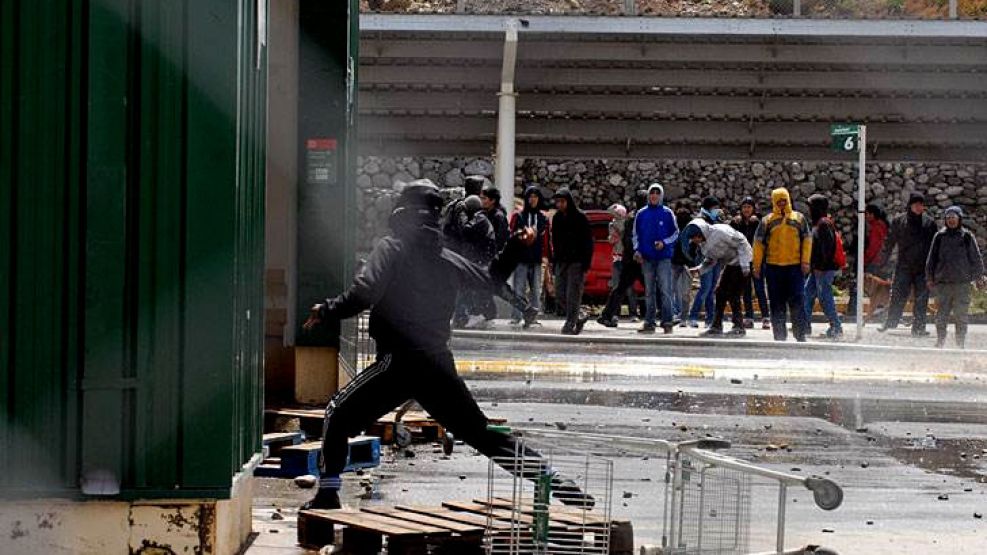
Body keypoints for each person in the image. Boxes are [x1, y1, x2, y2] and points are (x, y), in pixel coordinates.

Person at [300, 180, 589, 511]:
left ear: (401, 213)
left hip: (396, 363)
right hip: (437, 364)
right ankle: (551, 477)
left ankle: (327, 495)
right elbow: (490, 281)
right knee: (481, 433)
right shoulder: (447, 258)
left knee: (338, 413)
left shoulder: (391, 247)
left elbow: (363, 293)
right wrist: (514, 249)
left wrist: (327, 309)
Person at [752, 187, 812, 342]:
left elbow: (807, 240)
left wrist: (805, 261)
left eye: (783, 200)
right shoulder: (767, 221)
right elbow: (758, 245)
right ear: (773, 201)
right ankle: (779, 336)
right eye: (778, 200)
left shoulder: (799, 219)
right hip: (773, 268)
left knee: (797, 301)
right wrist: (757, 266)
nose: (781, 203)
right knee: (777, 303)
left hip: (795, 268)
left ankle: (800, 334)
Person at [878, 192, 938, 336]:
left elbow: (936, 246)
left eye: (921, 204)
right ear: (910, 205)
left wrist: (935, 267)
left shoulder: (929, 223)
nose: (919, 207)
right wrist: (882, 261)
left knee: (922, 298)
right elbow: (889, 242)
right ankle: (890, 322)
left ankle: (919, 328)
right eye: (916, 204)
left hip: (923, 267)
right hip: (903, 265)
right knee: (897, 295)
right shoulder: (899, 221)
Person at [925, 206, 985, 349]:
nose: (951, 220)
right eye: (948, 218)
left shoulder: (967, 237)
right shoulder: (939, 237)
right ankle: (940, 341)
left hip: (962, 284)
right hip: (943, 284)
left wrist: (979, 277)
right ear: (945, 220)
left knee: (961, 316)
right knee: (941, 316)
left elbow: (976, 259)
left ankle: (960, 344)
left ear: (959, 219)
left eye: (954, 217)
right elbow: (931, 259)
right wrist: (929, 277)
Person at [681, 218, 753, 337]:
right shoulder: (703, 245)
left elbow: (741, 242)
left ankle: (739, 326)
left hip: (743, 260)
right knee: (720, 293)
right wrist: (699, 269)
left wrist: (745, 265)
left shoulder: (721, 232)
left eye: (695, 237)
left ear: (700, 233)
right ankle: (716, 325)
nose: (694, 241)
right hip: (731, 263)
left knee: (733, 293)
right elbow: (711, 260)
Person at [633, 183, 679, 334]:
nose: (654, 196)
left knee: (665, 290)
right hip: (646, 257)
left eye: (657, 193)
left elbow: (675, 233)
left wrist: (664, 243)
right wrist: (637, 250)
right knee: (649, 291)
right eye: (651, 193)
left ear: (661, 195)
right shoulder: (641, 214)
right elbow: (636, 234)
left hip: (663, 258)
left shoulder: (667, 213)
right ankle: (649, 322)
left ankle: (667, 321)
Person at [597, 191, 648, 328]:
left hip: (630, 259)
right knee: (654, 287)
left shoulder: (633, 216)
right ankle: (668, 315)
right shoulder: (639, 217)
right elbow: (631, 239)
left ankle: (606, 315)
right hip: (637, 260)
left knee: (621, 288)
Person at [550, 188, 593, 335]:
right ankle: (580, 314)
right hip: (562, 261)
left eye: (562, 201)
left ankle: (571, 322)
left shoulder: (580, 217)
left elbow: (588, 241)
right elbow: (555, 240)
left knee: (572, 293)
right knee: (559, 293)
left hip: (577, 261)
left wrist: (586, 262)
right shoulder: (557, 218)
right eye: (558, 202)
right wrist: (554, 260)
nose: (560, 205)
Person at [803, 194, 843, 339]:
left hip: (823, 269)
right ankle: (804, 324)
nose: (808, 210)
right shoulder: (819, 223)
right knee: (807, 295)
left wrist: (821, 266)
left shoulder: (823, 224)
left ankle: (836, 327)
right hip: (817, 269)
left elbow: (828, 248)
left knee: (825, 297)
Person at [508, 185, 549, 326]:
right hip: (520, 258)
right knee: (519, 288)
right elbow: (511, 234)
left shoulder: (543, 217)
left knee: (536, 290)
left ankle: (534, 316)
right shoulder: (518, 216)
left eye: (535, 197)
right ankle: (516, 316)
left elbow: (546, 238)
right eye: (530, 197)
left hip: (536, 258)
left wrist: (546, 256)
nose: (532, 200)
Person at [731, 196, 770, 329]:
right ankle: (749, 317)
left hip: (757, 260)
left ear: (753, 208)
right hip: (744, 261)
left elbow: (764, 239)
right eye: (744, 207)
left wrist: (757, 221)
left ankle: (765, 317)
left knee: (759, 289)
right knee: (746, 290)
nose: (746, 210)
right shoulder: (737, 222)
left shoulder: (759, 222)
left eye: (749, 207)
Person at [460, 195, 497, 328]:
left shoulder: (479, 218)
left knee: (476, 288)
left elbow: (466, 230)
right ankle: (487, 316)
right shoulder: (482, 218)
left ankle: (479, 315)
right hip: (482, 259)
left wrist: (462, 219)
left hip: (481, 260)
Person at [687, 197, 723, 328]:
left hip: (717, 257)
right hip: (704, 257)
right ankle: (693, 316)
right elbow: (695, 238)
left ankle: (710, 319)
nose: (716, 210)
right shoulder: (700, 220)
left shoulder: (717, 219)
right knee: (705, 288)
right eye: (714, 208)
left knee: (712, 289)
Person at [477, 185, 511, 322]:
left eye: (484, 198)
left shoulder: (498, 217)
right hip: (487, 257)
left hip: (494, 258)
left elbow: (500, 239)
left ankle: (525, 309)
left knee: (497, 287)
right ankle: (489, 312)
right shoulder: (487, 214)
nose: (482, 201)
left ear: (492, 200)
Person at [862, 203, 891, 322]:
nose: (865, 216)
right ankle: (884, 312)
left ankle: (879, 312)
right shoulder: (883, 226)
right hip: (883, 261)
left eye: (867, 214)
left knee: (873, 290)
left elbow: (874, 247)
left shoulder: (876, 227)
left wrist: (864, 260)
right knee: (883, 290)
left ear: (872, 215)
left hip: (875, 261)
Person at [672, 202, 695, 326]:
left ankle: (680, 316)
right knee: (681, 291)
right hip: (680, 261)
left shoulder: (690, 226)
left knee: (679, 290)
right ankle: (681, 317)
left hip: (682, 262)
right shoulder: (676, 225)